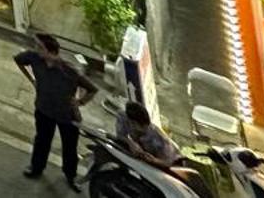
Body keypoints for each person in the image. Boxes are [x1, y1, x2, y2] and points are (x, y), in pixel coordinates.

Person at [15, 31, 97, 189]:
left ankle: (70, 176)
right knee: (42, 140)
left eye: (40, 47)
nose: (36, 49)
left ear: (51, 51)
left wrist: (80, 102)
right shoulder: (33, 58)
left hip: (66, 116)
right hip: (43, 109)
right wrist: (32, 79)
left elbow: (92, 89)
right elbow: (18, 60)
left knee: (69, 148)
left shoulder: (69, 71)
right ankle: (36, 168)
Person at [115, 101, 183, 172]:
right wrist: (130, 142)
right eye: (133, 125)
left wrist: (153, 160)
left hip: (173, 162)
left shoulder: (158, 139)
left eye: (143, 128)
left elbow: (170, 162)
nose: (140, 130)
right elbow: (120, 135)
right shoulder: (123, 116)